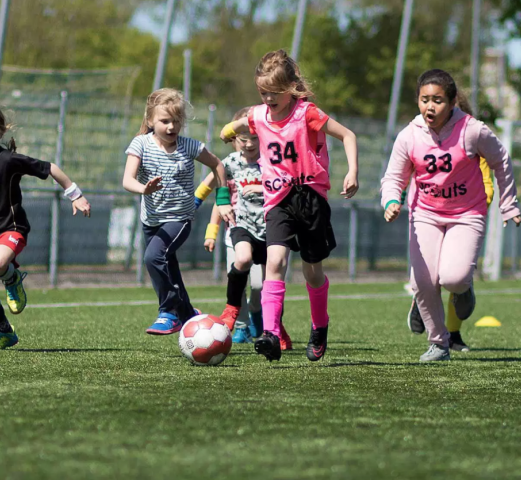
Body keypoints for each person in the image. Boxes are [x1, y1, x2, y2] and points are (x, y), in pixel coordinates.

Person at [219, 49, 359, 362]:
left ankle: (319, 325)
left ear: (290, 88)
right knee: (275, 260)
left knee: (312, 273)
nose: (268, 98)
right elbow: (243, 122)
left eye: (274, 93)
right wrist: (230, 128)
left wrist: (352, 171)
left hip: (310, 198)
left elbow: (348, 135)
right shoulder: (257, 115)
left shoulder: (306, 113)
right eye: (262, 92)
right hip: (278, 199)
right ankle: (269, 333)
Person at [381, 69, 521, 362]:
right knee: (422, 281)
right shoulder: (409, 135)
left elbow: (501, 160)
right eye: (424, 100)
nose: (430, 107)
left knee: (453, 278)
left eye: (438, 100)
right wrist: (391, 200)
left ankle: (464, 287)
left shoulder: (472, 130)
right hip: (425, 214)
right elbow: (393, 176)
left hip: (467, 213)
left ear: (453, 101)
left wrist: (508, 204)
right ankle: (439, 343)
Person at [123, 88, 234, 335]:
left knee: (153, 258)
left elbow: (218, 165)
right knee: (168, 265)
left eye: (176, 121)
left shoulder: (190, 147)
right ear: (150, 120)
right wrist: (144, 189)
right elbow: (127, 180)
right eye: (165, 121)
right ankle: (186, 312)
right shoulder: (140, 144)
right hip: (150, 220)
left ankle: (169, 312)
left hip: (179, 219)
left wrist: (223, 197)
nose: (171, 127)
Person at [0, 103, 91, 350]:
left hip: (9, 230)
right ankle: (5, 333)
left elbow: (49, 167)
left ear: (2, 132)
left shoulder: (7, 160)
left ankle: (12, 277)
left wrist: (75, 195)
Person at [406, 94, 496, 352]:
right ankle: (424, 305)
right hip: (429, 216)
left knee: (455, 278)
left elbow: (486, 185)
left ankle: (454, 333)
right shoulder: (420, 142)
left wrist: (473, 210)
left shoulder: (473, 147)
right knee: (428, 276)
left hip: (464, 219)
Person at [197, 106, 292, 349]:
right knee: (241, 261)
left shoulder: (273, 161)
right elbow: (214, 188)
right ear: (234, 139)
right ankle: (237, 320)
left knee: (262, 285)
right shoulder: (230, 163)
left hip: (271, 228)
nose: (249, 144)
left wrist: (262, 188)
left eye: (254, 138)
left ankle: (267, 322)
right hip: (240, 227)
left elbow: (288, 184)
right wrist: (198, 210)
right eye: (243, 139)